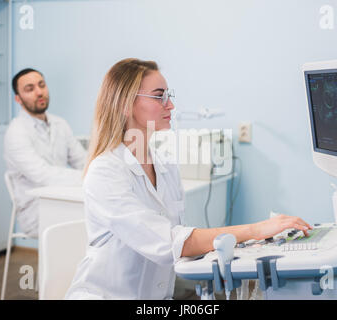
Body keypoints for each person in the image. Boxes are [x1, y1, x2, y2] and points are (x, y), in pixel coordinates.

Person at [65, 58, 312, 300]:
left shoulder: (164, 165)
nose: (170, 105)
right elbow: (170, 243)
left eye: (169, 96)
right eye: (159, 96)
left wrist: (251, 248)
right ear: (125, 104)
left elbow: (181, 241)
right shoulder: (105, 172)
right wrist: (255, 230)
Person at [4, 68, 87, 238]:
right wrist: (89, 177)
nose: (39, 92)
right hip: (36, 210)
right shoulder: (16, 132)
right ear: (18, 99)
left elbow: (82, 160)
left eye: (41, 85)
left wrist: (96, 172)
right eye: (30, 89)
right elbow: (43, 176)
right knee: (96, 218)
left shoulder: (60, 124)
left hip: (63, 198)